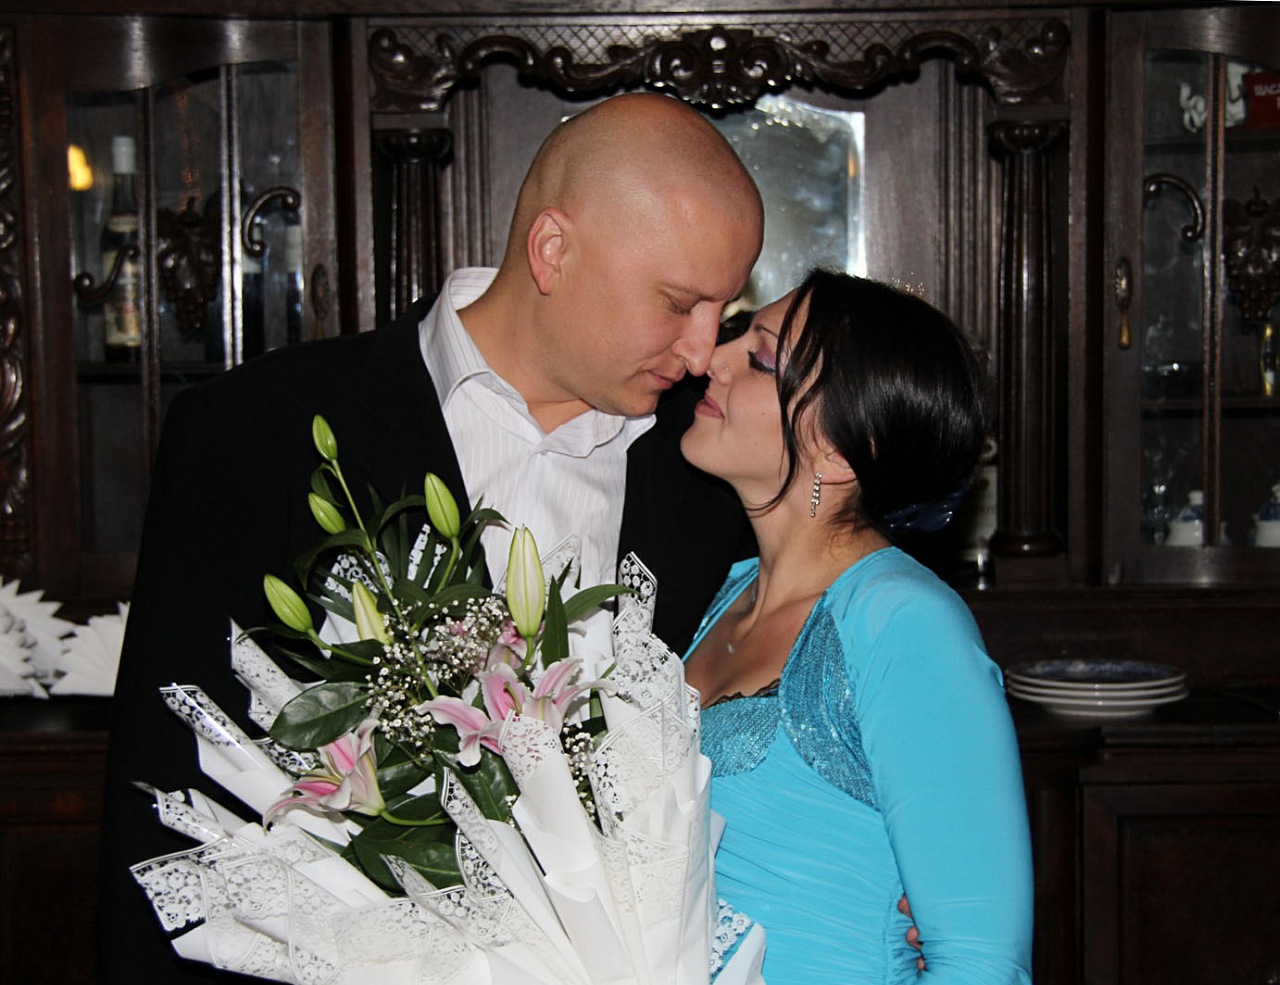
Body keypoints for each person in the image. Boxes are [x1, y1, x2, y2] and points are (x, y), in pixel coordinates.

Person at [97, 92, 763, 983]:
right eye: (679, 302)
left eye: (724, 307)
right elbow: (166, 791)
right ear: (553, 250)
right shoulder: (254, 430)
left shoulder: (719, 467)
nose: (704, 349)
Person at [681, 269, 1034, 985]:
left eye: (760, 357)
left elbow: (981, 964)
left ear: (840, 450)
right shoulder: (727, 595)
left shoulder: (905, 624)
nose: (712, 358)